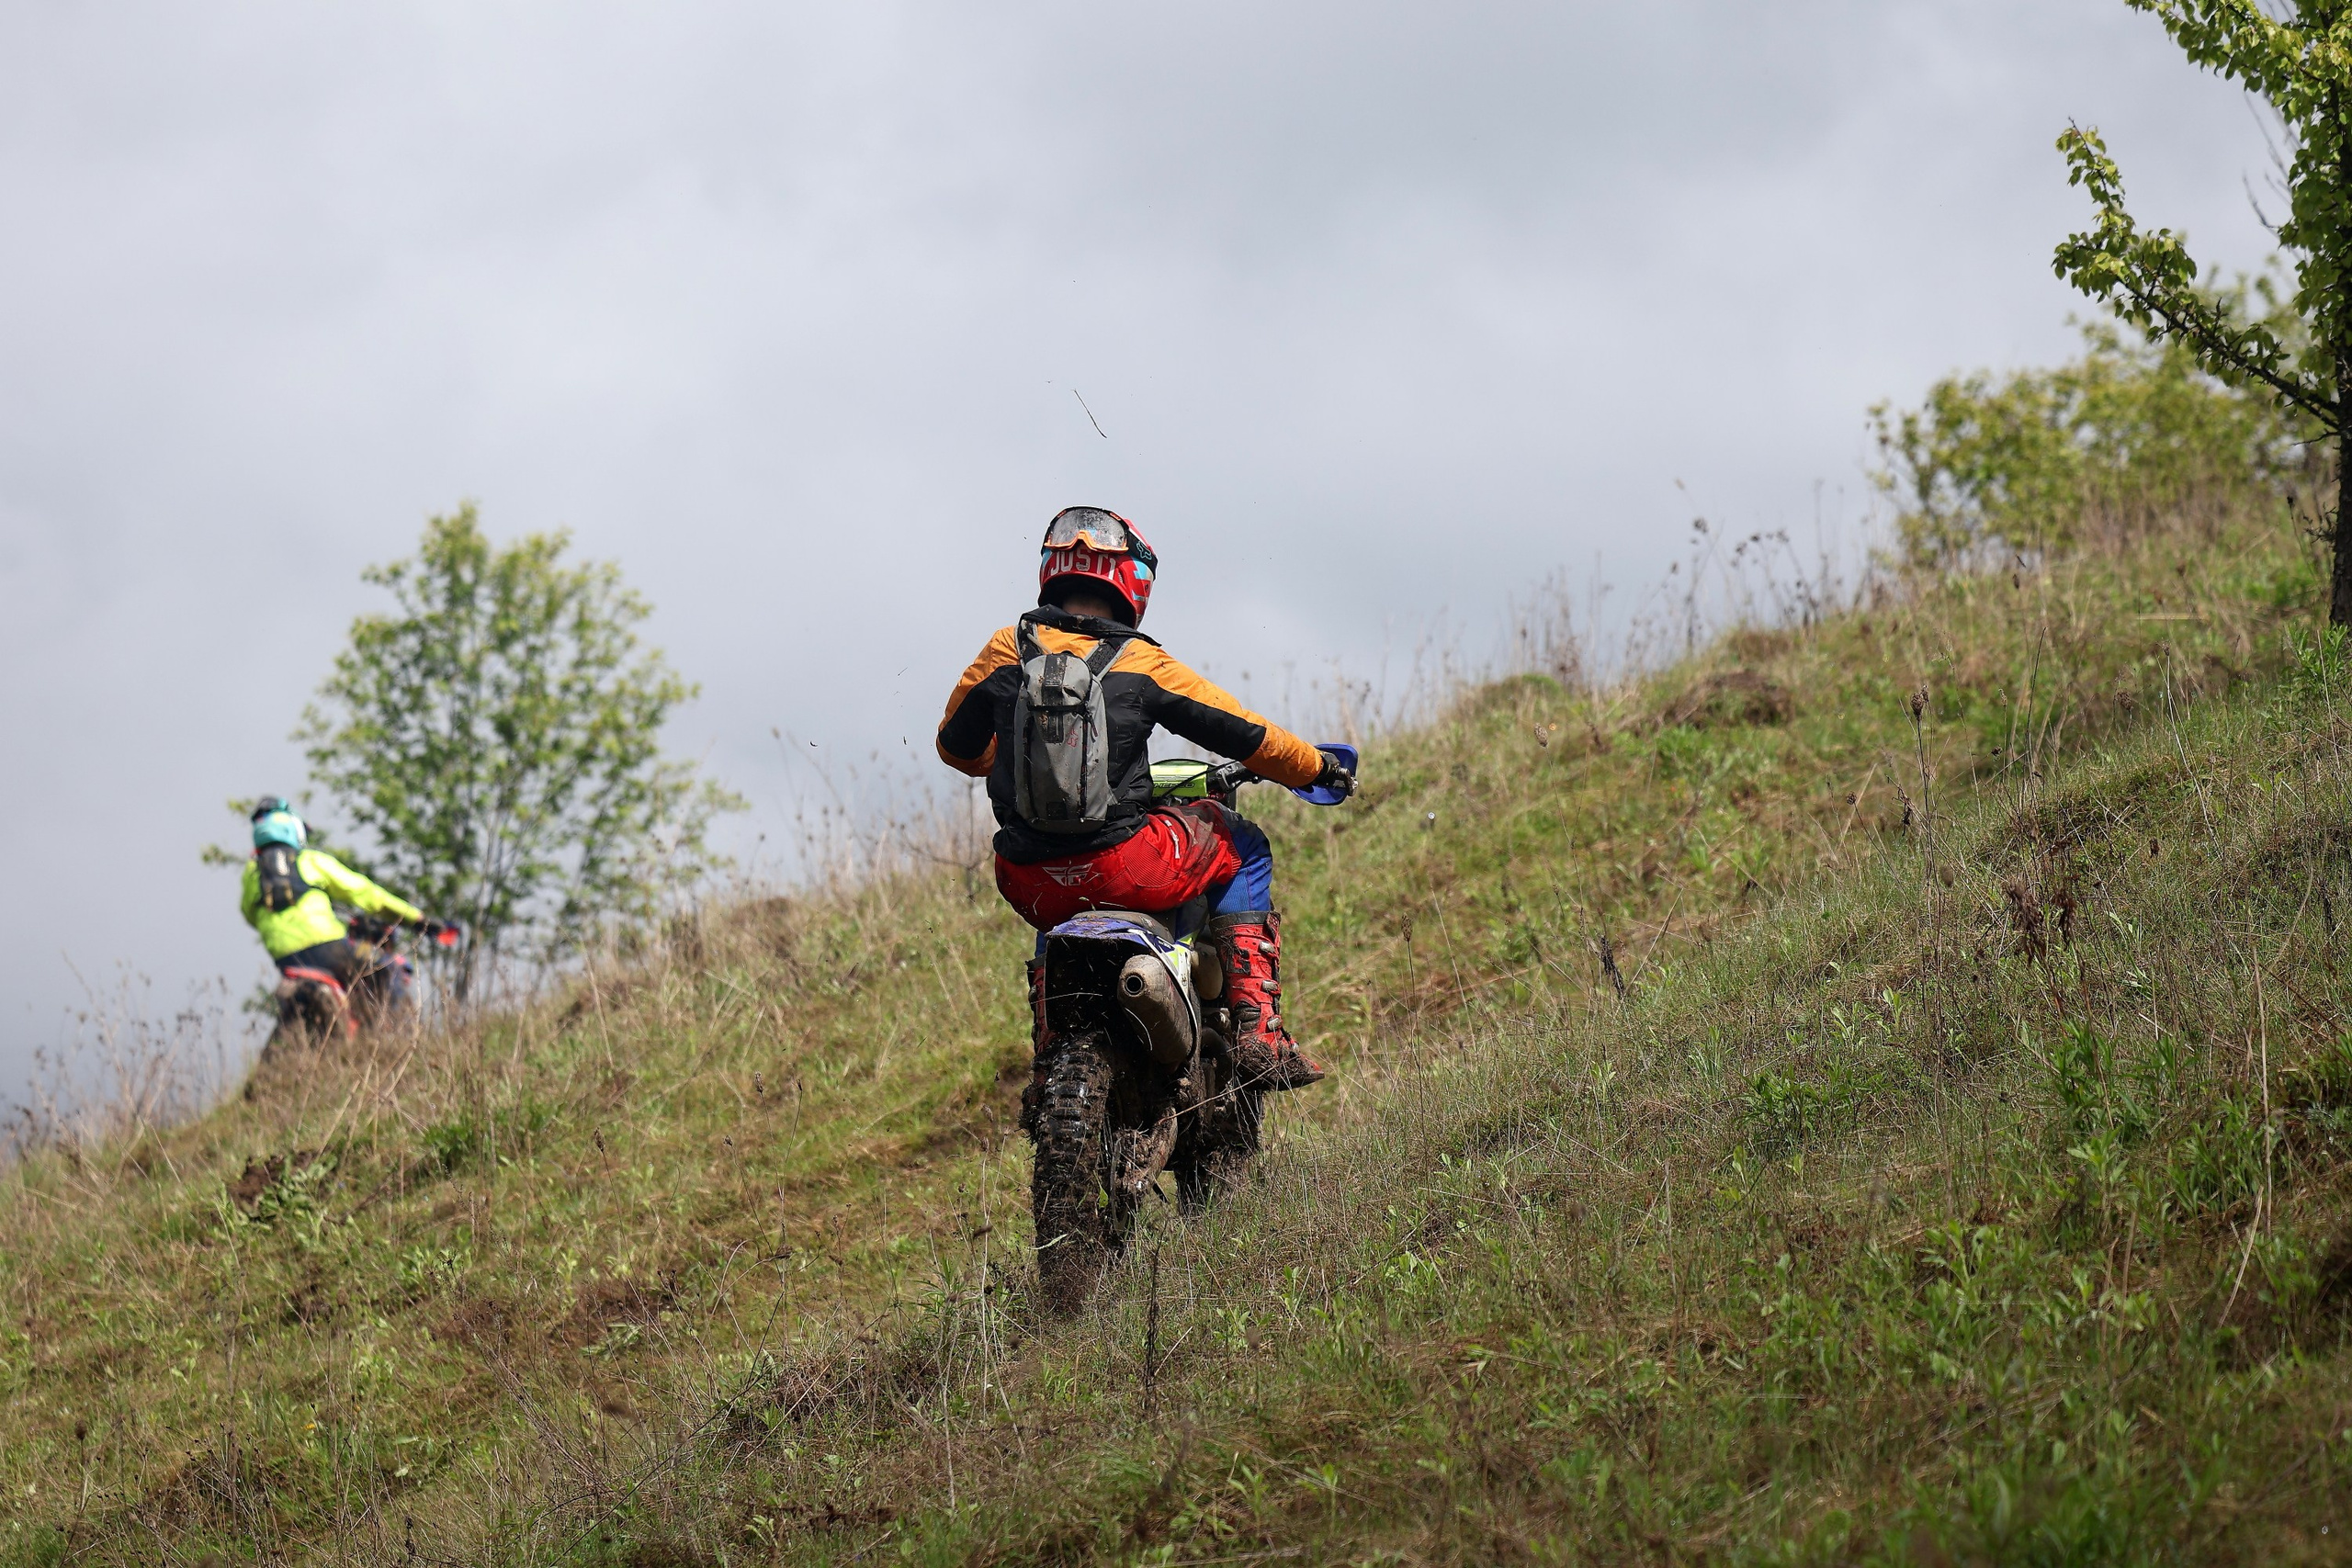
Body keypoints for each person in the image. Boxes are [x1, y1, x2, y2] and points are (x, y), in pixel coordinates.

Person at [935, 506, 1354, 1099]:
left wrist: (1005, 754)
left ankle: (1047, 1062)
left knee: (1061, 920)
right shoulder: (1141, 662)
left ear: (1053, 573)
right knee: (1245, 844)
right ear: (1133, 583)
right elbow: (1247, 735)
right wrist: (1317, 767)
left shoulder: (1005, 649)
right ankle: (1261, 1036)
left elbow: (955, 747)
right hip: (1129, 867)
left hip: (1027, 879)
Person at [239, 797, 426, 990]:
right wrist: (417, 918)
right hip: (329, 949)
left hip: (285, 958)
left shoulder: (252, 873)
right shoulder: (311, 860)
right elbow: (365, 893)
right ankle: (392, 1021)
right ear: (293, 829)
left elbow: (249, 915)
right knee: (390, 967)